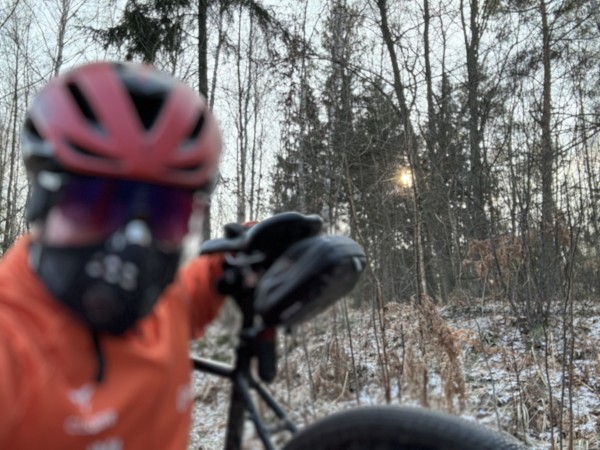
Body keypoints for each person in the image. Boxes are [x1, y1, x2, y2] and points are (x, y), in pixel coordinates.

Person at [0, 61, 228, 449]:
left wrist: (252, 249)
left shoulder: (162, 306)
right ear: (41, 203)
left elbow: (193, 290)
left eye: (168, 212)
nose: (132, 244)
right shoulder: (11, 345)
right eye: (94, 201)